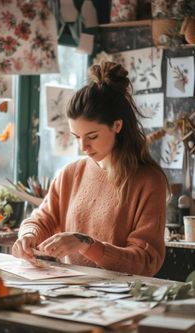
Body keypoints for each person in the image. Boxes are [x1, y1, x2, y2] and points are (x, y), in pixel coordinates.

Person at [12, 61, 169, 277]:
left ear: (117, 126)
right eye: (76, 137)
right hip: (72, 292)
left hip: (126, 299)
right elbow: (41, 220)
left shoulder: (149, 181)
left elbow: (144, 261)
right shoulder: (71, 173)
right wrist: (28, 236)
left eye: (92, 136)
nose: (82, 147)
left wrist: (85, 244)